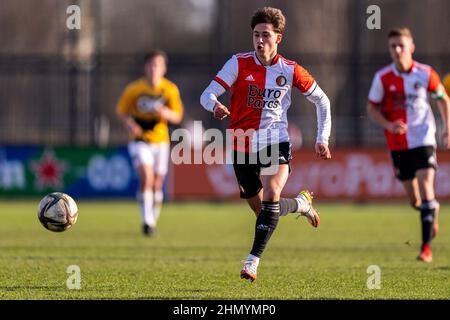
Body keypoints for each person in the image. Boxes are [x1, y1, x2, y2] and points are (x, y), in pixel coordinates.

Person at [200, 7, 331, 281]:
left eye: (266, 35)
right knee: (263, 211)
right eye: (256, 35)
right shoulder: (238, 63)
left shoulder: (291, 70)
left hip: (276, 141)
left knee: (272, 193)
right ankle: (300, 204)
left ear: (278, 38)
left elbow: (322, 100)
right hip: (241, 143)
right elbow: (207, 94)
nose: (260, 40)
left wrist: (322, 138)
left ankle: (252, 262)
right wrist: (214, 106)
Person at [367, 27, 450, 263]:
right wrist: (389, 124)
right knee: (415, 200)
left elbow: (443, 99)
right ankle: (431, 211)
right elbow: (371, 109)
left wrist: (447, 128)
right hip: (397, 144)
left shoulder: (425, 73)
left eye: (401, 45)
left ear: (411, 47)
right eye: (393, 46)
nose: (397, 50)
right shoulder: (382, 77)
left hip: (424, 139)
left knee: (427, 189)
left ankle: (425, 249)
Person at [117, 51, 184, 236]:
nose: (154, 69)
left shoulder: (170, 89)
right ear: (145, 68)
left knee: (157, 183)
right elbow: (121, 111)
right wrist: (130, 124)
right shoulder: (134, 89)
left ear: (164, 69)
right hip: (140, 141)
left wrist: (166, 113)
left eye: (157, 65)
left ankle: (152, 219)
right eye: (150, 65)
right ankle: (147, 221)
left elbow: (178, 115)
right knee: (146, 177)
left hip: (161, 141)